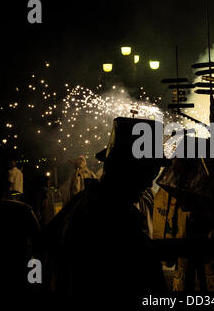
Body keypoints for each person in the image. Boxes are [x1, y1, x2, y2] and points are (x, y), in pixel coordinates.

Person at [43, 117, 169, 295]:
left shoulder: (81, 202)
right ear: (128, 169)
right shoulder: (115, 219)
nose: (149, 183)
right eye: (148, 172)